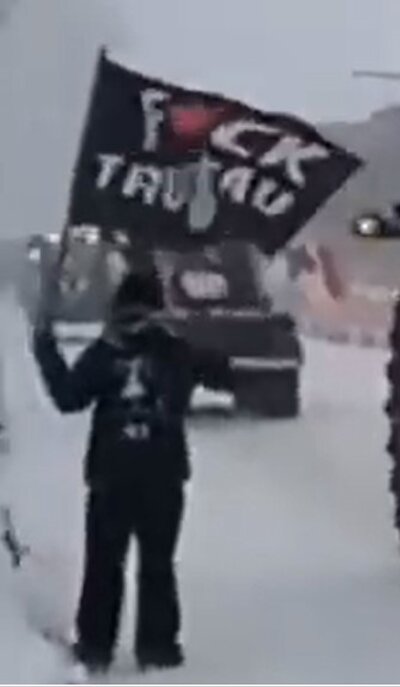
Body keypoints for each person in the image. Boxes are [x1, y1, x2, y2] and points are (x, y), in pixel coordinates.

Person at [30, 268, 230, 675]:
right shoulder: (175, 350)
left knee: (104, 564)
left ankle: (95, 648)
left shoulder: (106, 351)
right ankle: (158, 649)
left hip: (111, 475)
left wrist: (45, 349)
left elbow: (68, 397)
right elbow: (225, 376)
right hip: (165, 476)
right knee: (158, 564)